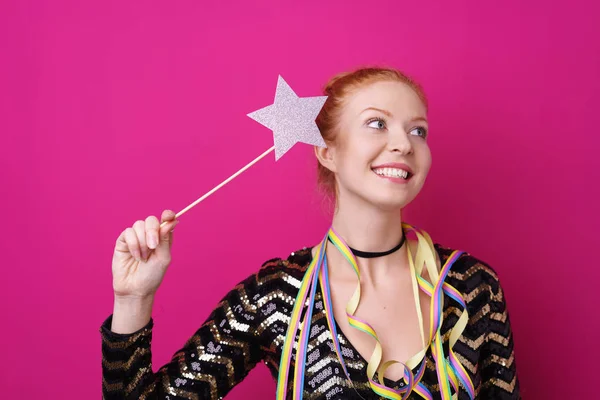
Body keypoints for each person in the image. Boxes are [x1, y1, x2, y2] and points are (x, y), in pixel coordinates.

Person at [100, 67, 521, 399]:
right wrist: (132, 299)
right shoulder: (276, 294)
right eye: (377, 123)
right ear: (327, 151)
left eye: (418, 130)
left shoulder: (470, 286)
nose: (404, 144)